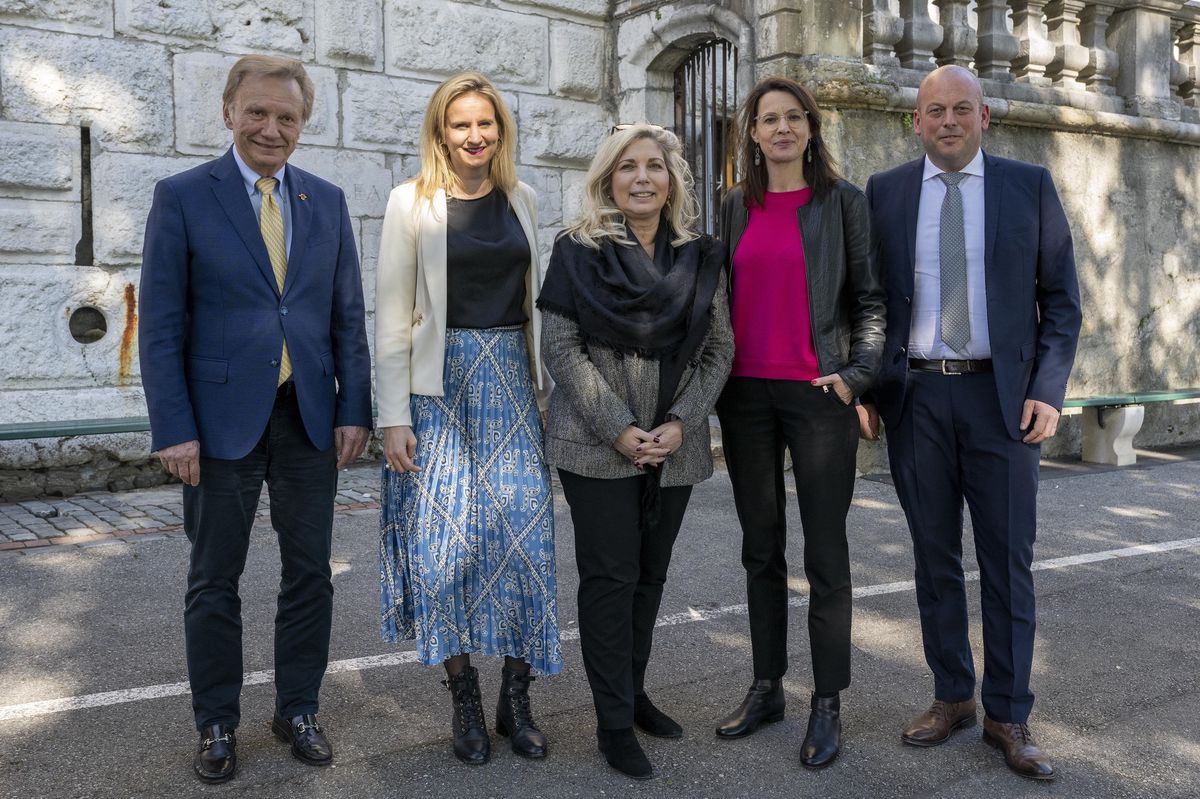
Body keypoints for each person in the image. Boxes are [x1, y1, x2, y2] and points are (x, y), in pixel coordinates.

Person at [139, 55, 372, 783]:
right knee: (215, 577)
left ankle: (298, 706)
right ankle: (216, 721)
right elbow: (161, 323)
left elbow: (346, 318)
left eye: (287, 117)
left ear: (304, 124)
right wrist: (173, 425)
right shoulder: (182, 197)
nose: (272, 128)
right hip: (216, 424)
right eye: (258, 112)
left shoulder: (326, 202)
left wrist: (353, 409)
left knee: (311, 573)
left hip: (307, 416)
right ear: (228, 112)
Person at [861, 65, 1081, 781]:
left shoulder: (1029, 187)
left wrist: (1048, 389)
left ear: (985, 117)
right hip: (917, 398)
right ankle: (952, 694)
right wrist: (866, 383)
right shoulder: (886, 193)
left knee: (1007, 561)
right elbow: (866, 301)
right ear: (916, 122)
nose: (948, 121)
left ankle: (1008, 712)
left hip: (1003, 405)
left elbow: (1062, 304)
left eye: (962, 108)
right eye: (935, 111)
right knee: (934, 557)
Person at [374, 72, 561, 766]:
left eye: (486, 124)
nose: (475, 136)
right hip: (438, 386)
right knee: (443, 545)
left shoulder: (526, 200)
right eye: (461, 125)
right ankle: (465, 699)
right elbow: (391, 314)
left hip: (512, 379)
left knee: (525, 538)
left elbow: (538, 302)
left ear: (501, 131)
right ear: (440, 132)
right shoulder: (409, 203)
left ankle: (519, 695)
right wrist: (393, 416)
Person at [538, 123, 734, 780]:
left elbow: (719, 348)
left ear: (672, 179)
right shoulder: (577, 251)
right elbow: (561, 350)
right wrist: (620, 426)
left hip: (673, 443)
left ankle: (633, 688)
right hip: (598, 444)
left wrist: (682, 419)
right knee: (610, 578)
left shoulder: (700, 255)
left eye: (655, 166)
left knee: (650, 575)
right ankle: (613, 722)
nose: (642, 178)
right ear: (608, 180)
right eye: (628, 167)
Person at [712, 76, 884, 770]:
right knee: (761, 547)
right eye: (767, 119)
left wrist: (856, 376)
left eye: (793, 118)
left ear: (811, 128)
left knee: (825, 555)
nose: (780, 129)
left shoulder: (843, 203)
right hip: (746, 396)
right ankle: (767, 687)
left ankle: (827, 700)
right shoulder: (732, 207)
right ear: (750, 133)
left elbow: (870, 299)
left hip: (818, 395)